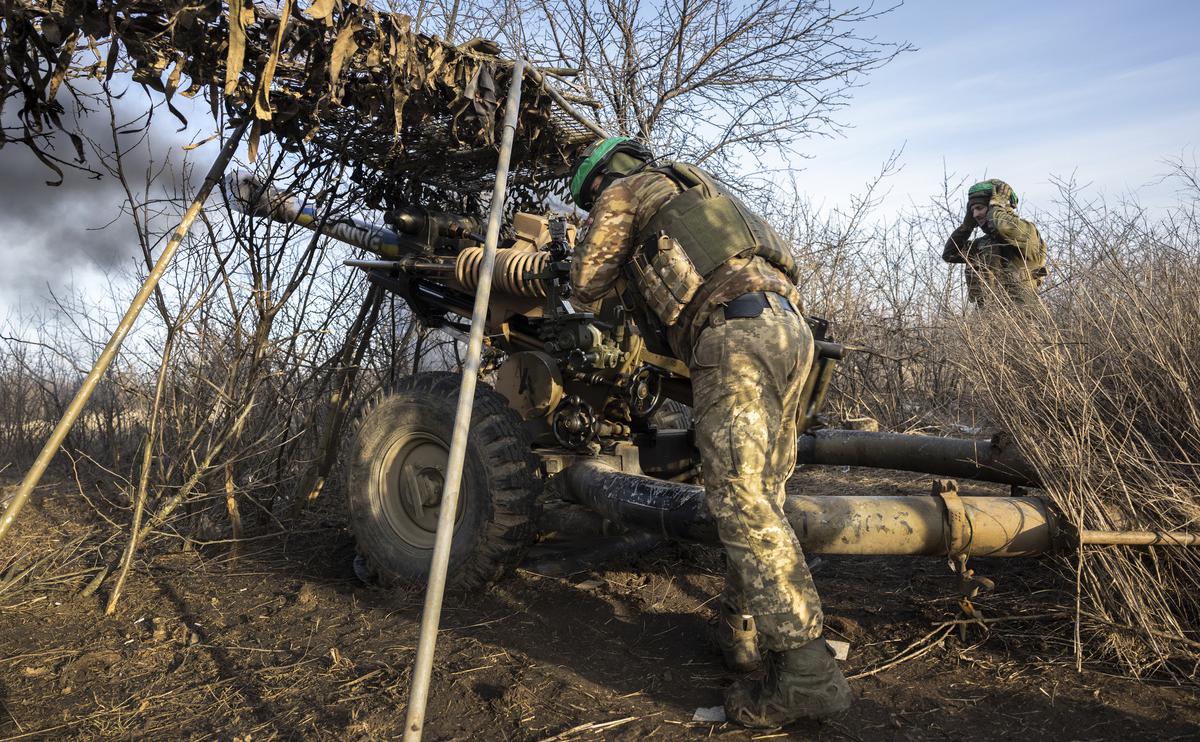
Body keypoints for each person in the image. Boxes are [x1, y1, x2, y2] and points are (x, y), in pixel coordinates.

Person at [567, 137, 851, 727]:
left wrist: (570, 261)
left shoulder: (625, 191)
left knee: (741, 501)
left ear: (598, 183)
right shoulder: (705, 195)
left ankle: (806, 673)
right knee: (763, 498)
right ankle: (746, 637)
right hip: (790, 333)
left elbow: (587, 282)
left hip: (732, 336)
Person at [943, 179, 1048, 306]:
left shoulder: (1026, 232)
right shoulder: (983, 244)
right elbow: (950, 254)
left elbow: (1003, 227)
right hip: (988, 320)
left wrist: (997, 206)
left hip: (1023, 320)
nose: (975, 215)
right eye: (972, 211)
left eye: (979, 208)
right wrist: (966, 226)